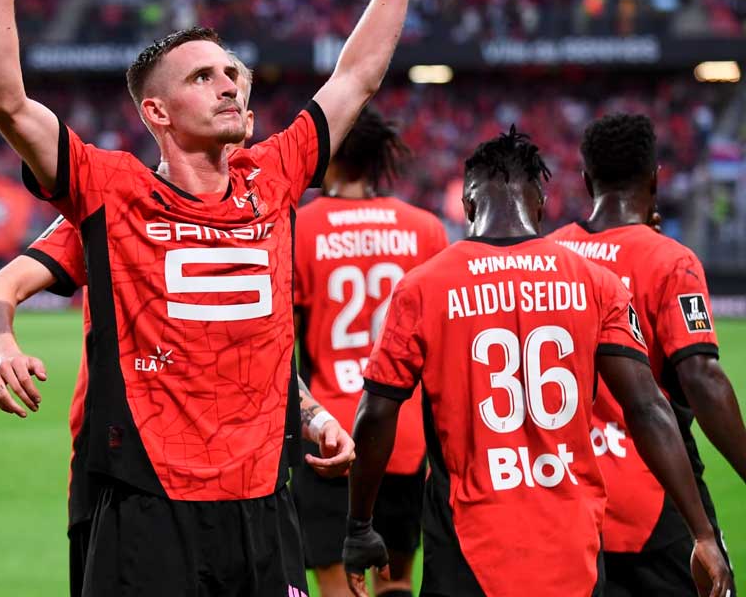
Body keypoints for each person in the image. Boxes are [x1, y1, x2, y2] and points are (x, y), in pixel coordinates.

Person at [0, 0, 424, 589]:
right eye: (202, 77)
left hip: (264, 500)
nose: (228, 86)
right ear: (157, 112)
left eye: (231, 73)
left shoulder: (275, 174)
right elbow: (5, 102)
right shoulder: (110, 191)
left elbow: (356, 76)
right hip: (149, 505)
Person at [0, 55, 355, 595]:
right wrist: (0, 345)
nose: (231, 102)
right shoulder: (120, 211)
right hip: (127, 470)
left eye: (238, 96)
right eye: (207, 84)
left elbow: (251, 357)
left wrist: (313, 416)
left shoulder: (263, 208)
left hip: (249, 482)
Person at [343, 128, 731, 597]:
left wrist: (360, 525)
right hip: (572, 548)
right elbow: (647, 407)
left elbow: (376, 413)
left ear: (468, 205)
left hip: (467, 551)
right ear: (541, 205)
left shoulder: (422, 287)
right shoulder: (596, 282)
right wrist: (702, 533)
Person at [550, 113, 744, 596]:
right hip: (654, 496)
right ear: (655, 179)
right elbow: (701, 378)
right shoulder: (669, 261)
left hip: (565, 494)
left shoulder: (549, 256)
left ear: (586, 180)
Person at [292, 106, 447, 597]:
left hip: (328, 434)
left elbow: (282, 346)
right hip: (401, 434)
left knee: (339, 586)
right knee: (394, 582)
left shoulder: (298, 228)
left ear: (330, 152)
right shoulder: (425, 229)